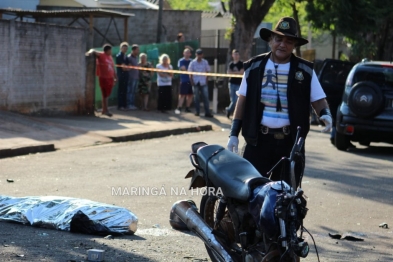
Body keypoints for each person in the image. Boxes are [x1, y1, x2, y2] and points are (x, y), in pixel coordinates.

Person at [227, 17, 332, 185]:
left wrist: (325, 114)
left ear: (294, 46)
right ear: (270, 40)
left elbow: (318, 99)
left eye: (289, 41)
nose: (283, 44)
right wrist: (233, 133)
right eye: (279, 39)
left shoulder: (304, 71)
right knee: (249, 193)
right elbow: (242, 100)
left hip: (289, 145)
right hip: (258, 142)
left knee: (284, 200)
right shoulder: (254, 67)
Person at [85, 44, 117, 117]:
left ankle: (104, 110)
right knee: (105, 95)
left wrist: (115, 77)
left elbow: (112, 68)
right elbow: (93, 50)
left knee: (107, 95)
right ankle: (106, 110)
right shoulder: (101, 55)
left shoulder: (110, 57)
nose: (111, 51)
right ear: (107, 50)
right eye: (110, 50)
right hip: (104, 78)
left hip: (110, 78)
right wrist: (90, 53)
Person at [188, 49, 213, 117]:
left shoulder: (205, 62)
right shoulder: (192, 63)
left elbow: (207, 71)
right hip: (195, 82)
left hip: (203, 82)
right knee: (196, 98)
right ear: (196, 54)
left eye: (200, 54)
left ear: (202, 55)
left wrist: (207, 80)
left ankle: (207, 112)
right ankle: (197, 111)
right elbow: (190, 72)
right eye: (198, 54)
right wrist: (192, 81)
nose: (199, 56)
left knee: (206, 97)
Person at [225, 49, 244, 119]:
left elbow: (242, 72)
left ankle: (228, 110)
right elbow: (229, 73)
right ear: (232, 55)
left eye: (237, 54)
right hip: (231, 83)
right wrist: (237, 72)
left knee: (236, 100)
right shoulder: (231, 64)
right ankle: (231, 112)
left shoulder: (241, 63)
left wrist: (233, 72)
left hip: (239, 84)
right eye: (235, 54)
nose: (236, 56)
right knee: (233, 100)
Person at [175, 48, 193, 114]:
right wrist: (189, 71)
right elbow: (183, 68)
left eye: (188, 52)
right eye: (186, 52)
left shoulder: (192, 61)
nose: (187, 54)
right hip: (184, 80)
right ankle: (179, 107)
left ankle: (187, 107)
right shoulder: (181, 61)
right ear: (183, 53)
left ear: (190, 54)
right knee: (182, 95)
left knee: (190, 95)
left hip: (191, 80)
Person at [115, 42, 129, 111]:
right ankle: (120, 105)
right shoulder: (119, 56)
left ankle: (124, 105)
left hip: (125, 76)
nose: (125, 49)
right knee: (121, 90)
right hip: (121, 75)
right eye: (124, 48)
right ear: (120, 48)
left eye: (126, 48)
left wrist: (127, 67)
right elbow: (124, 67)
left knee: (125, 90)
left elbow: (129, 66)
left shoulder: (126, 56)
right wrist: (127, 68)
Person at [126, 44, 140, 110]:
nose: (138, 51)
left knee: (133, 91)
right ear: (133, 50)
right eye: (137, 50)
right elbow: (129, 67)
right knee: (130, 91)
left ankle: (132, 104)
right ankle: (129, 104)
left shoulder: (136, 58)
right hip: (131, 77)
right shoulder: (129, 58)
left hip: (136, 77)